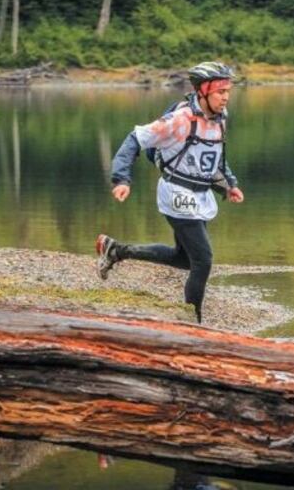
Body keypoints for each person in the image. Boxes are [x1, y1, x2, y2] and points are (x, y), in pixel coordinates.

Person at [95, 61, 245, 323]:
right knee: (203, 260)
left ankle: (116, 251)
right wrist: (121, 179)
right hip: (177, 193)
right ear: (204, 91)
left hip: (199, 196)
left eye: (228, 92)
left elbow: (215, 159)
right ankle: (192, 321)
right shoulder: (180, 119)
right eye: (221, 92)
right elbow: (136, 138)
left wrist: (229, 184)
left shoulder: (220, 119)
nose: (226, 97)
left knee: (185, 258)